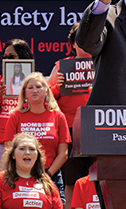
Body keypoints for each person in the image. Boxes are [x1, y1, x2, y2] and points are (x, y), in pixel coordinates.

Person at [4, 73, 69, 200]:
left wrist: (47, 174)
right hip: (20, 176)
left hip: (51, 176)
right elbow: (9, 148)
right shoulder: (15, 116)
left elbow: (63, 153)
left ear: (46, 91)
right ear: (25, 93)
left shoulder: (58, 116)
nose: (34, 90)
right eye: (30, 87)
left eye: (38, 87)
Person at [47, 24, 92, 209]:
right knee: (71, 179)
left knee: (97, 176)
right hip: (70, 129)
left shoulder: (105, 63)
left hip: (98, 128)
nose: (85, 45)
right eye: (80, 41)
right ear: (73, 44)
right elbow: (45, 98)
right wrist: (57, 87)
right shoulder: (61, 66)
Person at [0, 40, 29, 178]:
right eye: (5, 57)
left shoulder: (33, 82)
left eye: (12, 57)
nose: (7, 60)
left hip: (25, 142)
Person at [0, 133, 63, 209]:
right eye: (22, 148)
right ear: (13, 154)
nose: (27, 152)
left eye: (32, 149)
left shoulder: (48, 184)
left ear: (37, 155)